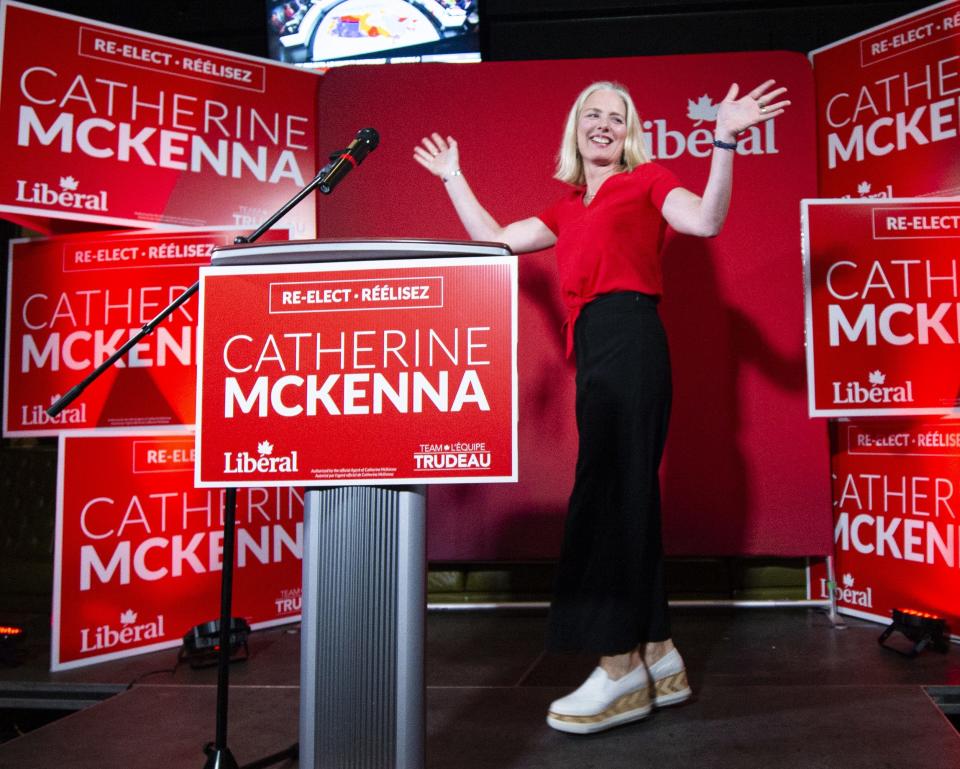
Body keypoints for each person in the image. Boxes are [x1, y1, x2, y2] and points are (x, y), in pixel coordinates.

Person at [413, 79, 789, 735]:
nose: (605, 124)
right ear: (576, 128)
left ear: (630, 132)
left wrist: (724, 139)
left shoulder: (648, 182)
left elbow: (704, 220)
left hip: (633, 339)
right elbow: (498, 240)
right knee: (628, 498)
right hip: (596, 348)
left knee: (608, 497)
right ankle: (656, 651)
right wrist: (453, 178)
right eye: (593, 114)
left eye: (617, 117)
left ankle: (617, 670)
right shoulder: (566, 208)